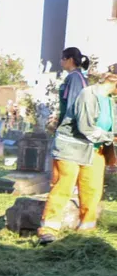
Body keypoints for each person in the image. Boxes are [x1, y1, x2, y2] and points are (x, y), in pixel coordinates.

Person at [39, 63, 117, 244]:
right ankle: (48, 230)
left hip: (94, 151)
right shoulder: (88, 95)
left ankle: (86, 231)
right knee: (63, 188)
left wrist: (111, 152)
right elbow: (86, 128)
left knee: (93, 190)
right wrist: (110, 137)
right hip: (71, 148)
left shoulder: (110, 101)